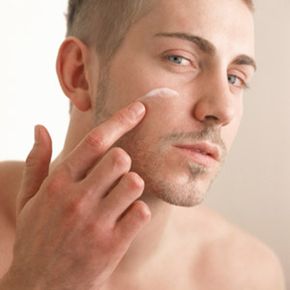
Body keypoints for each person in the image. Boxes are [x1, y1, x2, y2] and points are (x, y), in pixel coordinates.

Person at [0, 0, 286, 289]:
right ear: (79, 73)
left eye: (235, 78)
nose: (223, 110)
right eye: (179, 59)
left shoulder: (249, 276)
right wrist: (33, 281)